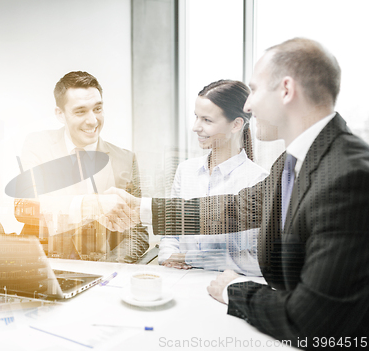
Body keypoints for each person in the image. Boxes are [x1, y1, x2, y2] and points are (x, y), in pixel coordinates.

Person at [109, 38, 369, 347]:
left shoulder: (348, 175)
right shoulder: (294, 162)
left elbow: (310, 320)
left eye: (255, 90)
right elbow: (236, 208)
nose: (248, 106)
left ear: (286, 90)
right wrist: (140, 208)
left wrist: (235, 289)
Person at [17, 71, 148, 263]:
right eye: (80, 111)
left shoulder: (125, 159)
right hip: (43, 266)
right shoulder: (38, 145)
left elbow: (137, 233)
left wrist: (105, 270)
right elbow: (25, 207)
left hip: (101, 271)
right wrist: (89, 204)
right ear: (60, 114)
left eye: (97, 109)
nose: (93, 120)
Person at [159, 80, 268, 275]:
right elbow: (171, 233)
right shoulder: (185, 171)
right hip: (179, 280)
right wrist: (169, 258)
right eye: (196, 117)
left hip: (226, 287)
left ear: (236, 124)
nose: (195, 127)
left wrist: (191, 259)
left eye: (207, 120)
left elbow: (258, 258)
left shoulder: (258, 181)